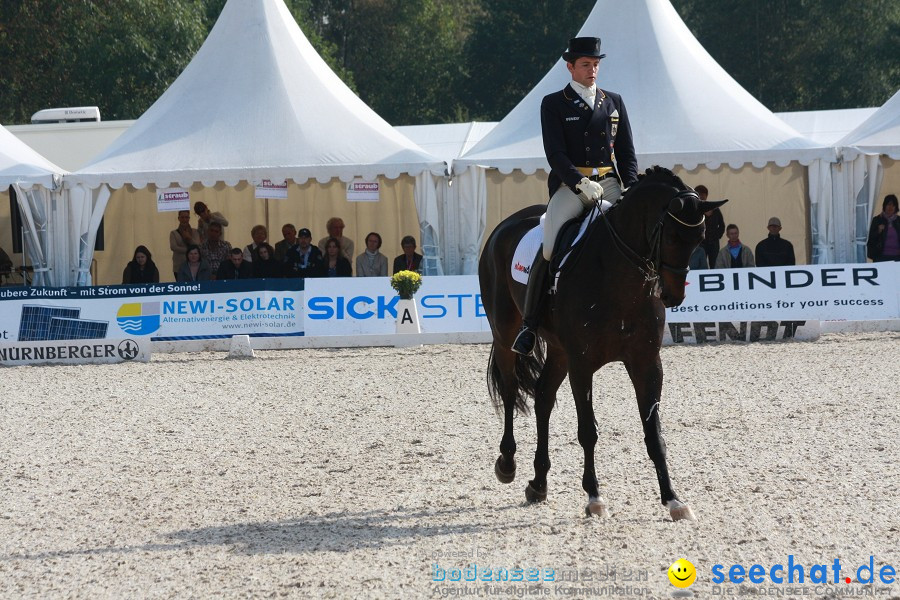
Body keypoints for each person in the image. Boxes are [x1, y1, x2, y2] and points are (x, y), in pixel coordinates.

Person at [513, 36, 638, 356]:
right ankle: (529, 324)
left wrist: (631, 187)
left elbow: (626, 152)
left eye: (596, 64)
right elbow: (554, 153)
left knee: (638, 235)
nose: (592, 70)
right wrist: (579, 183)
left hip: (609, 183)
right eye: (586, 65)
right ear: (570, 67)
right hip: (572, 186)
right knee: (551, 244)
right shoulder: (554, 103)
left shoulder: (614, 102)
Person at [696, 185, 725, 268]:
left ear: (706, 195)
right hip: (701, 244)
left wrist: (717, 236)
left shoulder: (715, 209)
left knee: (715, 264)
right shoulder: (695, 210)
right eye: (699, 194)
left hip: (713, 243)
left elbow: (722, 225)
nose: (701, 196)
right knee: (701, 265)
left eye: (703, 194)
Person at [866, 194, 900, 262]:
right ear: (884, 206)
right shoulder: (877, 220)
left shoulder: (899, 221)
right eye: (888, 204)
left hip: (897, 257)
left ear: (896, 207)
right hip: (880, 257)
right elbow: (870, 239)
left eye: (893, 205)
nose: (890, 207)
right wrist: (878, 231)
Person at [169, 210, 200, 279]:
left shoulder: (195, 232)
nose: (184, 219)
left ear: (189, 218)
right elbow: (173, 247)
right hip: (179, 266)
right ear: (178, 218)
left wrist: (189, 238)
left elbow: (197, 246)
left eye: (186, 217)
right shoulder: (174, 233)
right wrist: (189, 251)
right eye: (182, 217)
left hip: (194, 266)